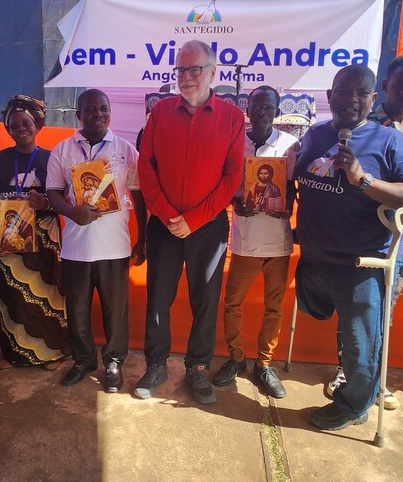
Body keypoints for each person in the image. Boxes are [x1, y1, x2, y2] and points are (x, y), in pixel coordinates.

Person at [295, 64, 403, 431]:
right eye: (342, 91)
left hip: (360, 265)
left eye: (360, 93)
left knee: (361, 346)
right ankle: (355, 394)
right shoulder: (313, 136)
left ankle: (354, 406)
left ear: (374, 99)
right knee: (319, 317)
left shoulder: (392, 142)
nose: (350, 99)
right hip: (312, 261)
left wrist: (363, 179)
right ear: (329, 96)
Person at [135, 39, 244, 405]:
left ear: (213, 72)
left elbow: (232, 178)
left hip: (208, 228)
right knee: (158, 299)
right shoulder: (160, 112)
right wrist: (168, 215)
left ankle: (198, 369)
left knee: (205, 300)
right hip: (164, 226)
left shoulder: (232, 117)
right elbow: (145, 168)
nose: (185, 77)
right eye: (180, 70)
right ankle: (156, 364)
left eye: (193, 69)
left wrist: (195, 220)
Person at [327, 54, 403, 410]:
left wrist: (370, 183)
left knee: (377, 319)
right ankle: (351, 373)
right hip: (344, 246)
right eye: (400, 83)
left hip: (387, 247)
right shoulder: (341, 129)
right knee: (353, 317)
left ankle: (366, 386)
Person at [46, 89, 146, 392]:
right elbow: (52, 192)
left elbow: (138, 194)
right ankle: (83, 360)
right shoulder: (62, 150)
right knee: (77, 308)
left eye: (103, 109)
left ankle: (114, 362)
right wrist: (71, 211)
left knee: (115, 309)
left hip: (115, 246)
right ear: (79, 115)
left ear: (110, 112)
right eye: (90, 109)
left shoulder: (125, 150)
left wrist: (142, 238)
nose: (98, 114)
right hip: (76, 247)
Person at [212, 85, 298, 399]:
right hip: (245, 240)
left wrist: (287, 205)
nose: (262, 112)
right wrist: (236, 203)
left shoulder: (290, 145)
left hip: (278, 242)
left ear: (277, 111)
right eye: (257, 106)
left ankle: (264, 363)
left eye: (268, 107)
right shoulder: (235, 144)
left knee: (273, 307)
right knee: (232, 303)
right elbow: (224, 186)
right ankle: (236, 358)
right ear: (248, 109)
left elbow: (296, 188)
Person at [0, 94, 70, 370]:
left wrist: (47, 204)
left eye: (26, 123)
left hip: (44, 237)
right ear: (8, 129)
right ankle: (13, 355)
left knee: (48, 296)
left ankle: (52, 353)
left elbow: (66, 198)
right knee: (12, 296)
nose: (21, 129)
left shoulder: (51, 158)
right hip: (9, 237)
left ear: (38, 124)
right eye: (15, 125)